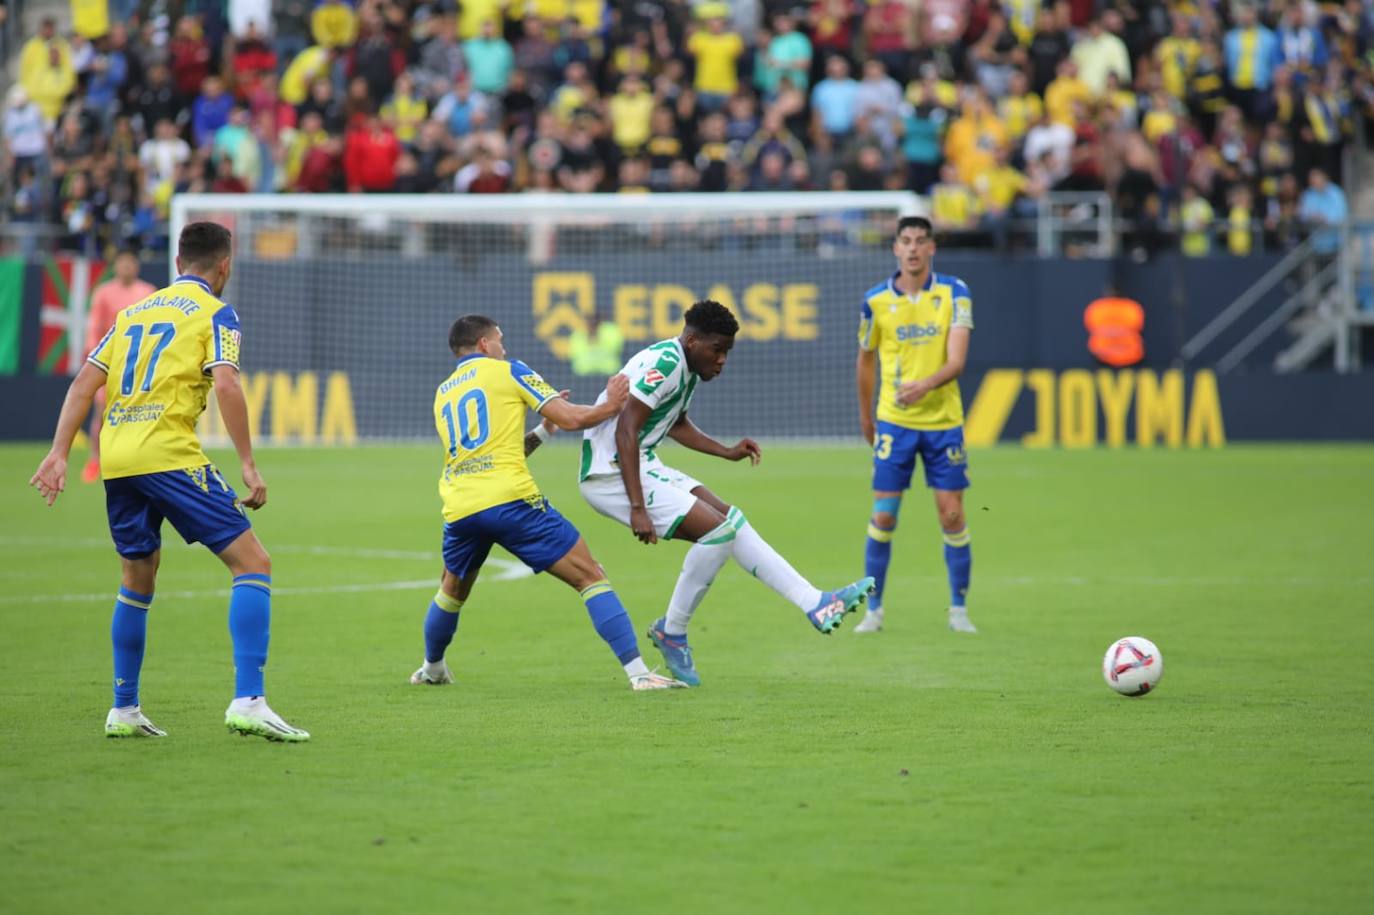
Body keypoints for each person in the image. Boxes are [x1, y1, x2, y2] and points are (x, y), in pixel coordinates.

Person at [28, 222, 309, 741]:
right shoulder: (217, 312)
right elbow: (225, 382)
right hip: (167, 451)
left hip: (118, 456)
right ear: (223, 266)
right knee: (253, 563)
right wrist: (248, 463)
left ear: (177, 263)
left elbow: (86, 382)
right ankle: (249, 700)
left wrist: (59, 453)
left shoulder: (132, 312)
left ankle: (123, 708)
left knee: (138, 576)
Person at [578, 300, 875, 686]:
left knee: (731, 520)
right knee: (717, 532)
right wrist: (638, 507)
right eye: (717, 350)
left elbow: (676, 423)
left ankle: (814, 603)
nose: (721, 360)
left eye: (727, 352)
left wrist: (726, 451)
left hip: (638, 462)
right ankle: (672, 630)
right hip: (611, 470)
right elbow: (625, 430)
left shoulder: (684, 369)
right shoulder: (666, 363)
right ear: (692, 340)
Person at [409, 315, 685, 691]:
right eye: (500, 340)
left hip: (461, 508)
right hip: (512, 501)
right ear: (484, 344)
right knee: (591, 576)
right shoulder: (509, 371)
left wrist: (541, 431)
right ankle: (640, 674)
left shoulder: (443, 393)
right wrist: (612, 405)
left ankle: (432, 667)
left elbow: (493, 453)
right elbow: (573, 418)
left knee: (452, 590)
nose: (504, 348)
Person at [854, 216, 977, 635]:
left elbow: (957, 361)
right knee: (884, 515)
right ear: (894, 248)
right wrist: (867, 416)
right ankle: (874, 612)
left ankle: (958, 611)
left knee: (952, 515)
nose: (912, 248)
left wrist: (923, 386)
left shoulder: (954, 293)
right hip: (895, 423)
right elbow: (866, 360)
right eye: (905, 241)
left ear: (932, 248)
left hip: (944, 423)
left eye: (920, 241)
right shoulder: (874, 301)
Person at [81, 250, 157, 483]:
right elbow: (94, 326)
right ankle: (96, 459)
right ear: (116, 266)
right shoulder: (104, 293)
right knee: (102, 412)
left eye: (130, 263)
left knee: (143, 411)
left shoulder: (148, 292)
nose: (126, 268)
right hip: (111, 362)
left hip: (140, 364)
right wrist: (94, 354)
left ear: (136, 266)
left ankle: (140, 458)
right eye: (122, 264)